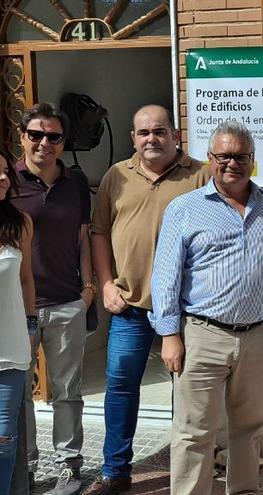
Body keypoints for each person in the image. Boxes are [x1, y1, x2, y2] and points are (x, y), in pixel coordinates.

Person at [148, 120, 263, 494]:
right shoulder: (185, 208)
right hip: (201, 335)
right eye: (224, 156)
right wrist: (169, 335)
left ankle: (242, 490)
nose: (232, 163)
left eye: (241, 156)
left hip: (259, 335)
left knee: (250, 426)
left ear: (252, 160)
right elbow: (165, 276)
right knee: (194, 431)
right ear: (210, 159)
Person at [83, 105, 210, 495]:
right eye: (143, 133)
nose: (151, 139)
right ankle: (115, 470)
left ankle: (186, 470)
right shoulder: (116, 175)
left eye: (159, 131)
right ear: (132, 137)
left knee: (187, 392)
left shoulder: (201, 175)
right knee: (121, 387)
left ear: (175, 135)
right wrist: (106, 284)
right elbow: (99, 232)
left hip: (187, 311)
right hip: (131, 307)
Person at [10, 103, 92, 495]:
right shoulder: (8, 179)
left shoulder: (75, 183)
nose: (45, 143)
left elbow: (83, 237)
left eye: (54, 137)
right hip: (15, 307)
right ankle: (25, 467)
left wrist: (88, 289)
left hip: (65, 301)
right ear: (23, 137)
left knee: (67, 391)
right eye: (37, 135)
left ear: (62, 142)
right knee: (20, 392)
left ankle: (69, 466)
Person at [0, 151, 37, 494]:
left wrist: (31, 321)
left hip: (9, 349)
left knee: (4, 438)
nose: (2, 179)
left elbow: (26, 278)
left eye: (4, 173)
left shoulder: (20, 222)